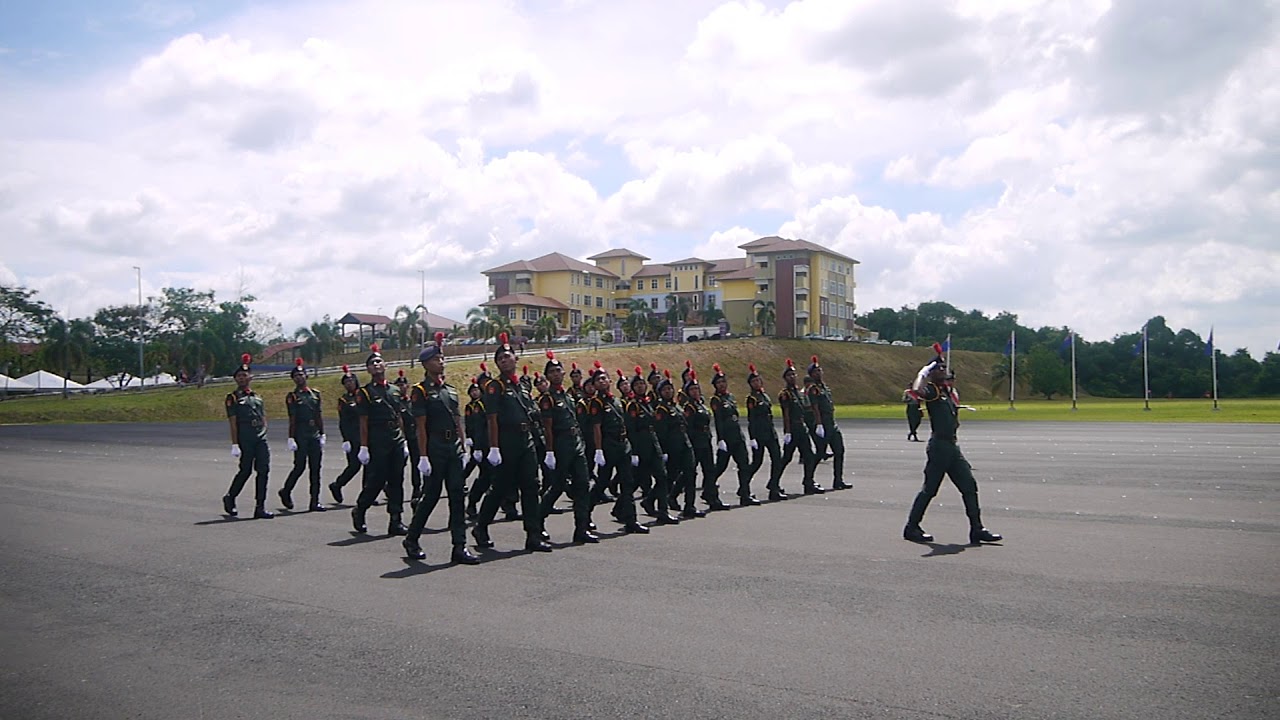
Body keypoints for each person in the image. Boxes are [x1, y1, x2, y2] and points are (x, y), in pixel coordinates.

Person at [903, 343, 1003, 545]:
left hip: (952, 447)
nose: (943, 370)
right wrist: (923, 372)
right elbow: (916, 390)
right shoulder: (932, 390)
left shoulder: (946, 392)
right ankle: (911, 527)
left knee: (969, 486)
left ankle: (977, 529)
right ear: (932, 374)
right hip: (939, 447)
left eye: (943, 368)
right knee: (930, 489)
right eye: (938, 368)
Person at [403, 333, 480, 565]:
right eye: (436, 359)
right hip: (435, 447)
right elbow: (421, 426)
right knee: (431, 496)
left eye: (442, 358)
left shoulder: (451, 390)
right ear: (426, 364)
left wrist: (463, 446)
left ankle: (459, 546)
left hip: (452, 447)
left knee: (457, 495)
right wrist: (423, 456)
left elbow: (457, 421)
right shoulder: (420, 391)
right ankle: (412, 538)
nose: (441, 362)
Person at [472, 333, 552, 553]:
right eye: (500, 359)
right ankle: (481, 527)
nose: (504, 360)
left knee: (531, 486)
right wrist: (494, 448)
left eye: (507, 356)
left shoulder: (522, 386)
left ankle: (533, 534)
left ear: (516, 358)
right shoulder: (494, 386)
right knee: (500, 487)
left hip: (526, 440)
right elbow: (492, 418)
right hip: (507, 441)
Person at [537, 350, 599, 543]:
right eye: (552, 372)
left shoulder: (568, 396)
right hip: (561, 444)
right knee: (557, 486)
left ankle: (581, 529)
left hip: (576, 443)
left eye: (558, 370)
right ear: (547, 376)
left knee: (583, 484)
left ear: (564, 373)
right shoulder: (548, 398)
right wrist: (549, 451)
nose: (556, 374)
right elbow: (547, 428)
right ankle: (537, 523)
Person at [351, 344, 409, 536]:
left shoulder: (395, 390)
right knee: (377, 480)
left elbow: (399, 416)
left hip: (396, 439)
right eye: (372, 363)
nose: (376, 364)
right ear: (368, 369)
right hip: (378, 440)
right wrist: (364, 447)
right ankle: (360, 509)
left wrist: (404, 440)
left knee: (397, 480)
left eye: (378, 361)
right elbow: (363, 421)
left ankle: (396, 520)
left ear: (385, 365)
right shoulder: (365, 393)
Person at [584, 363, 648, 534]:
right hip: (608, 445)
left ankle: (631, 520)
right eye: (598, 380)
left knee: (627, 482)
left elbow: (624, 424)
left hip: (623, 445)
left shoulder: (617, 401)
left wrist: (631, 448)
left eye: (604, 378)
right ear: (594, 384)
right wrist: (598, 450)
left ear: (610, 381)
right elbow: (596, 427)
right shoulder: (596, 403)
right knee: (602, 482)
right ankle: (585, 514)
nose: (602, 381)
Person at [222, 353, 273, 519]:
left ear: (250, 377)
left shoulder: (257, 397)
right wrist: (235, 443)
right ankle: (230, 497)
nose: (242, 378)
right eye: (239, 376)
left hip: (260, 438)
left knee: (263, 470)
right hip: (245, 438)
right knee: (245, 470)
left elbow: (263, 416)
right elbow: (233, 422)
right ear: (235, 379)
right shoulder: (233, 398)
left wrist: (264, 429)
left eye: (244, 375)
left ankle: (260, 507)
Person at [627, 366, 679, 524]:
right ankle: (620, 508)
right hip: (641, 446)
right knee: (635, 481)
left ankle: (663, 511)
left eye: (642, 384)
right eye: (637, 385)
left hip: (653, 444)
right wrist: (634, 452)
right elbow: (631, 430)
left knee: (662, 477)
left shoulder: (648, 404)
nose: (640, 387)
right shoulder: (633, 406)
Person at [279, 357, 327, 512]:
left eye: (301, 374)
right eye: (296, 376)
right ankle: (286, 491)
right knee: (299, 466)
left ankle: (315, 501)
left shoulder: (315, 394)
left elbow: (318, 415)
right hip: (301, 434)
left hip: (314, 433)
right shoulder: (292, 396)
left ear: (306, 375)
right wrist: (291, 437)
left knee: (316, 468)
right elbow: (292, 419)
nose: (299, 377)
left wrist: (322, 433)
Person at [654, 369, 704, 519]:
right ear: (660, 392)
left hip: (685, 444)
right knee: (669, 478)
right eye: (665, 389)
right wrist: (663, 451)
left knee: (690, 474)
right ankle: (653, 502)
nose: (668, 391)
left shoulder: (675, 406)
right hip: (672, 447)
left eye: (670, 389)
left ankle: (690, 506)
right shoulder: (661, 409)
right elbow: (661, 432)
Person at [710, 363, 760, 506]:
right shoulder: (716, 400)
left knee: (744, 465)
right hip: (727, 438)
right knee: (720, 467)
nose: (722, 384)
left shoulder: (730, 397)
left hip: (737, 436)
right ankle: (709, 490)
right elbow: (719, 420)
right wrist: (721, 439)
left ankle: (745, 494)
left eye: (723, 382)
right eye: (719, 383)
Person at [682, 369, 729, 511]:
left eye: (697, 388)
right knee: (690, 473)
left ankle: (713, 499)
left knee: (710, 471)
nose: (695, 391)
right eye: (692, 389)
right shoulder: (689, 407)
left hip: (706, 441)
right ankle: (678, 498)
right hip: (696, 442)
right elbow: (688, 427)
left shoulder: (701, 404)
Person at [778, 359, 825, 495]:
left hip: (802, 427)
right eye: (789, 375)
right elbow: (786, 414)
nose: (792, 377)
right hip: (793, 428)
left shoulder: (798, 392)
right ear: (785, 378)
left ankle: (808, 482)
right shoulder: (785, 394)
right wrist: (787, 432)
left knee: (809, 456)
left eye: (794, 374)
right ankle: (773, 483)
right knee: (786, 458)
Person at [806, 356, 851, 490]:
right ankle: (808, 480)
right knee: (820, 453)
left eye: (819, 371)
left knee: (839, 451)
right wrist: (819, 424)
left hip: (831, 423)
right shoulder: (813, 389)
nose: (818, 373)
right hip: (823, 423)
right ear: (811, 375)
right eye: (815, 372)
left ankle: (838, 480)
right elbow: (815, 407)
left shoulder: (824, 387)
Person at [745, 363, 787, 501]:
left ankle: (774, 487)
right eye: (754, 381)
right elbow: (751, 419)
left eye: (758, 380)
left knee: (777, 459)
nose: (756, 383)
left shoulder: (765, 396)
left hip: (770, 432)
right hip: (759, 433)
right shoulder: (752, 399)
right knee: (757, 462)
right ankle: (744, 486)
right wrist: (752, 438)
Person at [329, 365, 363, 503]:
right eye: (346, 382)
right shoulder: (343, 400)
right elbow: (343, 421)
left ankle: (368, 493)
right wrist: (346, 439)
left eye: (351, 381)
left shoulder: (363, 395)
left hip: (367, 435)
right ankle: (337, 485)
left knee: (372, 465)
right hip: (353, 437)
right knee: (354, 466)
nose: (349, 384)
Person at [394, 369, 424, 509]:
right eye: (399, 385)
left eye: (403, 385)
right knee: (398, 466)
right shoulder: (395, 402)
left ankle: (416, 489)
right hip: (401, 438)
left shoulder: (412, 401)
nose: (402, 387)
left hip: (414, 437)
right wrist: (403, 438)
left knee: (416, 463)